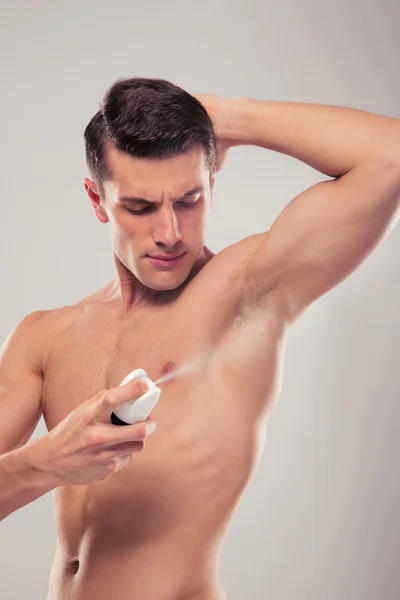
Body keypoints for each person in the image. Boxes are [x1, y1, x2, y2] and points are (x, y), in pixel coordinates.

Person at [0, 78, 399, 600]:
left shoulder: (247, 291)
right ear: (98, 200)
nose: (170, 232)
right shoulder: (42, 336)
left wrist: (224, 117)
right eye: (140, 207)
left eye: (190, 199)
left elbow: (389, 158)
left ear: (213, 183)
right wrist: (46, 461)